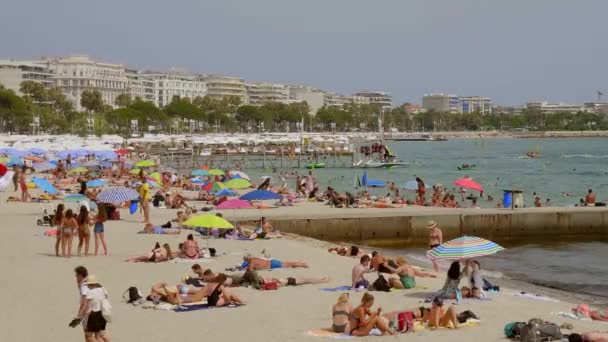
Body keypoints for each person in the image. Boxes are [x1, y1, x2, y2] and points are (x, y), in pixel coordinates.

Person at [80, 275, 111, 342]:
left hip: (94, 315)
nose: (87, 286)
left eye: (88, 284)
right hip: (102, 314)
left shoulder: (90, 292)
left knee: (89, 336)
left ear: (90, 284)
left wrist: (81, 315)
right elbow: (106, 297)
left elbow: (86, 306)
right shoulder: (103, 290)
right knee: (101, 335)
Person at [70, 266, 89, 341]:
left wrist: (79, 316)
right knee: (99, 334)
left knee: (88, 335)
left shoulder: (83, 286)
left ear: (80, 275)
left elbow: (84, 303)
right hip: (96, 310)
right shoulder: (88, 282)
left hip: (88, 312)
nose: (75, 277)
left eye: (76, 275)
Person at [241, 255, 308, 270]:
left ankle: (302, 265)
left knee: (290, 266)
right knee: (287, 263)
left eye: (245, 260)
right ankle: (300, 262)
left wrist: (243, 268)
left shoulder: (252, 261)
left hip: (272, 265)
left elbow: (250, 269)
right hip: (272, 261)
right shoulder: (255, 258)